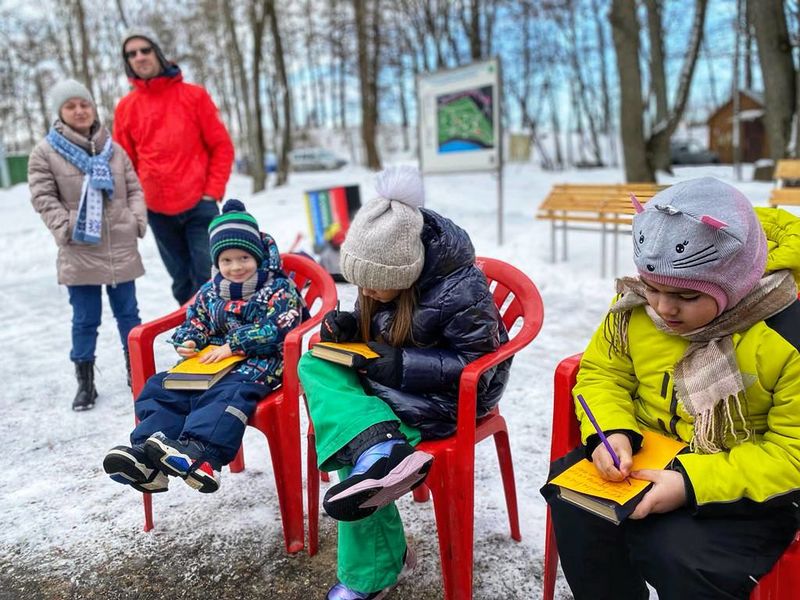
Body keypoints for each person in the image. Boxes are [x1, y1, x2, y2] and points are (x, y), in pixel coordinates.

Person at [542, 177, 800, 600]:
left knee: (677, 554)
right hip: (649, 455)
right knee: (575, 503)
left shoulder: (786, 336)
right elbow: (603, 374)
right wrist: (614, 433)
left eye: (684, 295)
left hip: (743, 483)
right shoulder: (634, 310)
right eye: (654, 289)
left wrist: (688, 485)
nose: (663, 308)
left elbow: (791, 453)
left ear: (735, 284)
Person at [297, 165, 511, 600]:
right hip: (393, 386)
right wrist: (347, 331)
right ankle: (380, 451)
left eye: (377, 287)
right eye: (361, 285)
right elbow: (377, 328)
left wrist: (402, 365)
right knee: (315, 365)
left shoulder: (462, 287)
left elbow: (480, 368)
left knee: (350, 444)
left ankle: (372, 574)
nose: (369, 294)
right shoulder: (382, 278)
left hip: (449, 398)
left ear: (406, 273)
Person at [102, 199, 305, 494]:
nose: (235, 267)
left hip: (261, 365)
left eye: (243, 258)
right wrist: (189, 339)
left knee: (226, 394)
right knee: (161, 387)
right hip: (211, 364)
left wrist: (234, 345)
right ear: (216, 262)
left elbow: (282, 326)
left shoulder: (277, 287)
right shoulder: (210, 291)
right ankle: (147, 458)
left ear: (257, 256)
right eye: (226, 260)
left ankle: (201, 455)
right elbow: (196, 321)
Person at [28, 79, 147, 411]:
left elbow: (135, 188)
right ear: (61, 113)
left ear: (93, 108)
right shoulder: (45, 152)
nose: (79, 111)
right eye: (71, 106)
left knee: (129, 314)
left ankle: (135, 373)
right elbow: (43, 197)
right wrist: (66, 229)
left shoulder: (114, 148)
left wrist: (135, 219)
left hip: (120, 246)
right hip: (79, 248)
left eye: (85, 104)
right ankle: (85, 383)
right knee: (85, 319)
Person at [113, 28, 235, 305]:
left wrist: (211, 192)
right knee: (181, 281)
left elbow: (222, 146)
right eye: (132, 54)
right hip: (158, 211)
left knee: (211, 275)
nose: (140, 57)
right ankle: (196, 339)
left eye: (145, 50)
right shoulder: (125, 108)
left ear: (157, 53)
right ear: (127, 62)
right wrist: (136, 202)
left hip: (199, 205)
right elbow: (124, 165)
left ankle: (224, 336)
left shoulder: (194, 96)